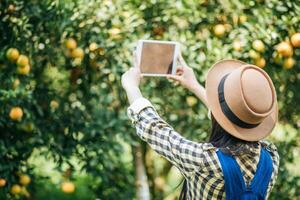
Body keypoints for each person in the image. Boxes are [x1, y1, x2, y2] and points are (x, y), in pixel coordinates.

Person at [121, 52, 279, 200]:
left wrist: (131, 87)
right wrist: (194, 85)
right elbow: (231, 120)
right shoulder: (270, 159)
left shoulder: (204, 161)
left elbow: (154, 130)